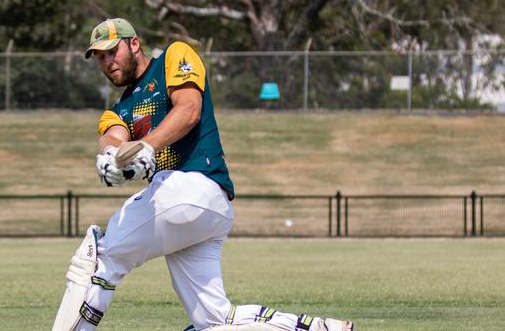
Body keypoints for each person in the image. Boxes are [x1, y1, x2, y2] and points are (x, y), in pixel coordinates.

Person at [52, 18, 354, 331]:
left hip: (193, 186)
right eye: (99, 57)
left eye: (111, 51)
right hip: (197, 210)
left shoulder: (174, 57)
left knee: (97, 258)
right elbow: (112, 137)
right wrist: (109, 157)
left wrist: (145, 147)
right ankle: (318, 328)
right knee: (214, 321)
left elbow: (189, 109)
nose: (107, 61)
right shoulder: (119, 108)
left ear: (134, 44)